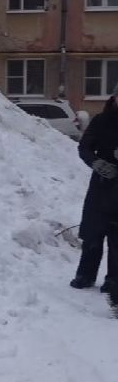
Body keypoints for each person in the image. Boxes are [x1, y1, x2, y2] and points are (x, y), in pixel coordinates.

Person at [73, 87, 118, 294]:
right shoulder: (101, 120)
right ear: (114, 98)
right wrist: (97, 163)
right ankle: (86, 275)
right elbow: (84, 147)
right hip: (101, 184)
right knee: (93, 232)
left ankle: (114, 280)